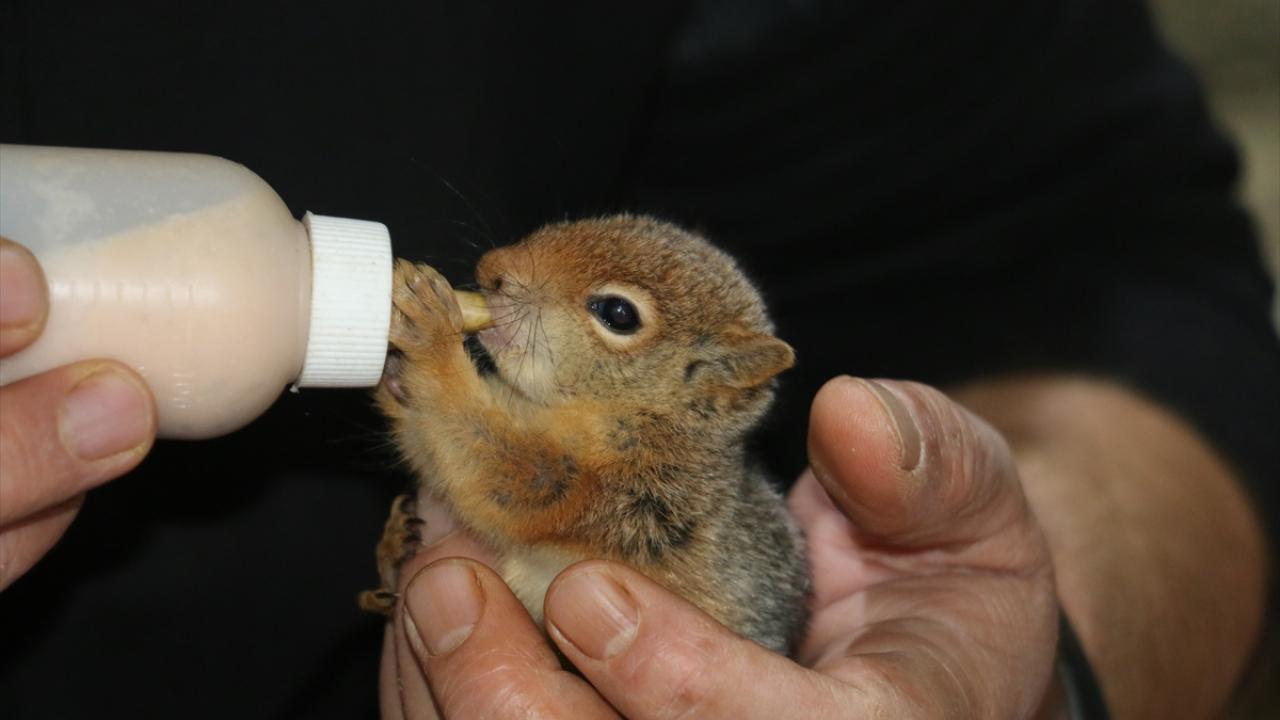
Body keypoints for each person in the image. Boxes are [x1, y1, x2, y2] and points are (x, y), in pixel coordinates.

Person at [1, 1, 1276, 718]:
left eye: (607, 315)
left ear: (705, 388)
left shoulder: (644, 458)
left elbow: (1120, 249)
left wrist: (1034, 685)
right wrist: (439, 380)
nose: (499, 270)